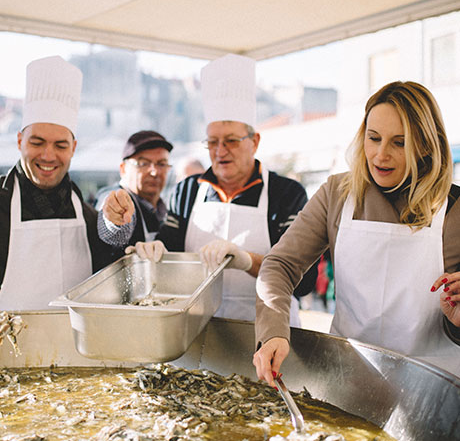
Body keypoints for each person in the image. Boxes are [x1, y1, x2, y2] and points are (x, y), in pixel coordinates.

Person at [253, 81, 460, 383]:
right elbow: (280, 265)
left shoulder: (454, 209)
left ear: (427, 145)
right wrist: (273, 331)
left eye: (399, 143)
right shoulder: (337, 194)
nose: (380, 155)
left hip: (432, 388)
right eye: (373, 138)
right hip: (347, 381)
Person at [99, 53, 317, 323]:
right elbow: (170, 248)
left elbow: (304, 279)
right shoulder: (188, 190)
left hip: (268, 335)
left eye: (231, 141)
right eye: (212, 142)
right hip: (200, 336)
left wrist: (247, 261)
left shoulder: (287, 194)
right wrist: (156, 252)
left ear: (255, 141)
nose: (220, 151)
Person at [0, 56, 113, 310]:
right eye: (37, 142)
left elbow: (112, 261)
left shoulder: (86, 214)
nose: (48, 156)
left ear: (73, 148)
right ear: (19, 141)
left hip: (75, 348)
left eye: (60, 145)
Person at [95, 130, 173, 259]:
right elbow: (111, 228)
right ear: (123, 169)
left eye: (161, 164)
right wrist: (114, 220)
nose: (154, 172)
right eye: (143, 163)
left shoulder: (164, 209)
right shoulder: (113, 196)